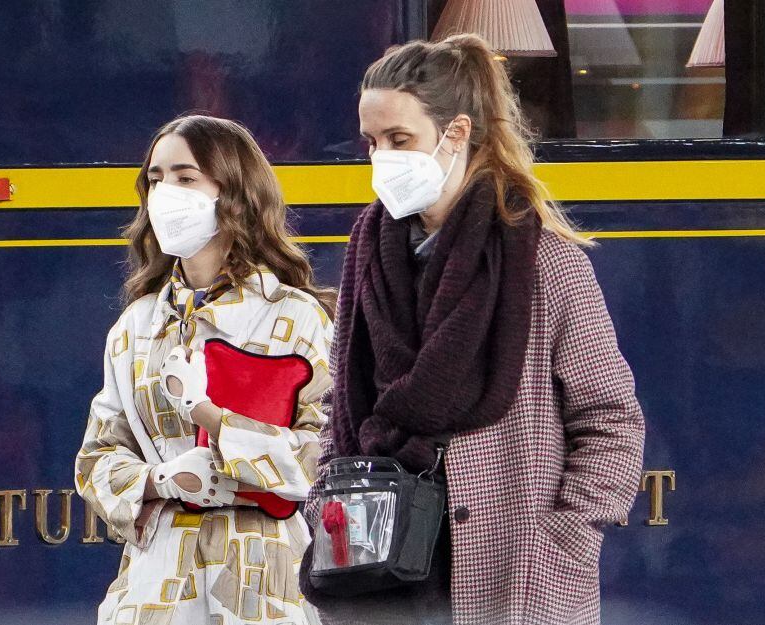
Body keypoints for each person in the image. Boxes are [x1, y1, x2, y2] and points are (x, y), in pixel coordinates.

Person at [300, 35, 646, 625]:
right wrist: (324, 499)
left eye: (399, 140)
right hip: (377, 565)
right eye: (372, 142)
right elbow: (343, 405)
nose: (381, 157)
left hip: (511, 567)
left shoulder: (543, 261)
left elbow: (610, 420)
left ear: (456, 133)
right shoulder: (369, 254)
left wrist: (565, 539)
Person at [76, 114, 335, 625]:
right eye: (155, 178)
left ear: (233, 191)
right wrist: (163, 479)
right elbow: (96, 459)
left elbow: (322, 460)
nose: (165, 192)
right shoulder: (136, 324)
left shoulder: (295, 316)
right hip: (156, 594)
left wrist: (215, 422)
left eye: (185, 177)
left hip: (263, 590)